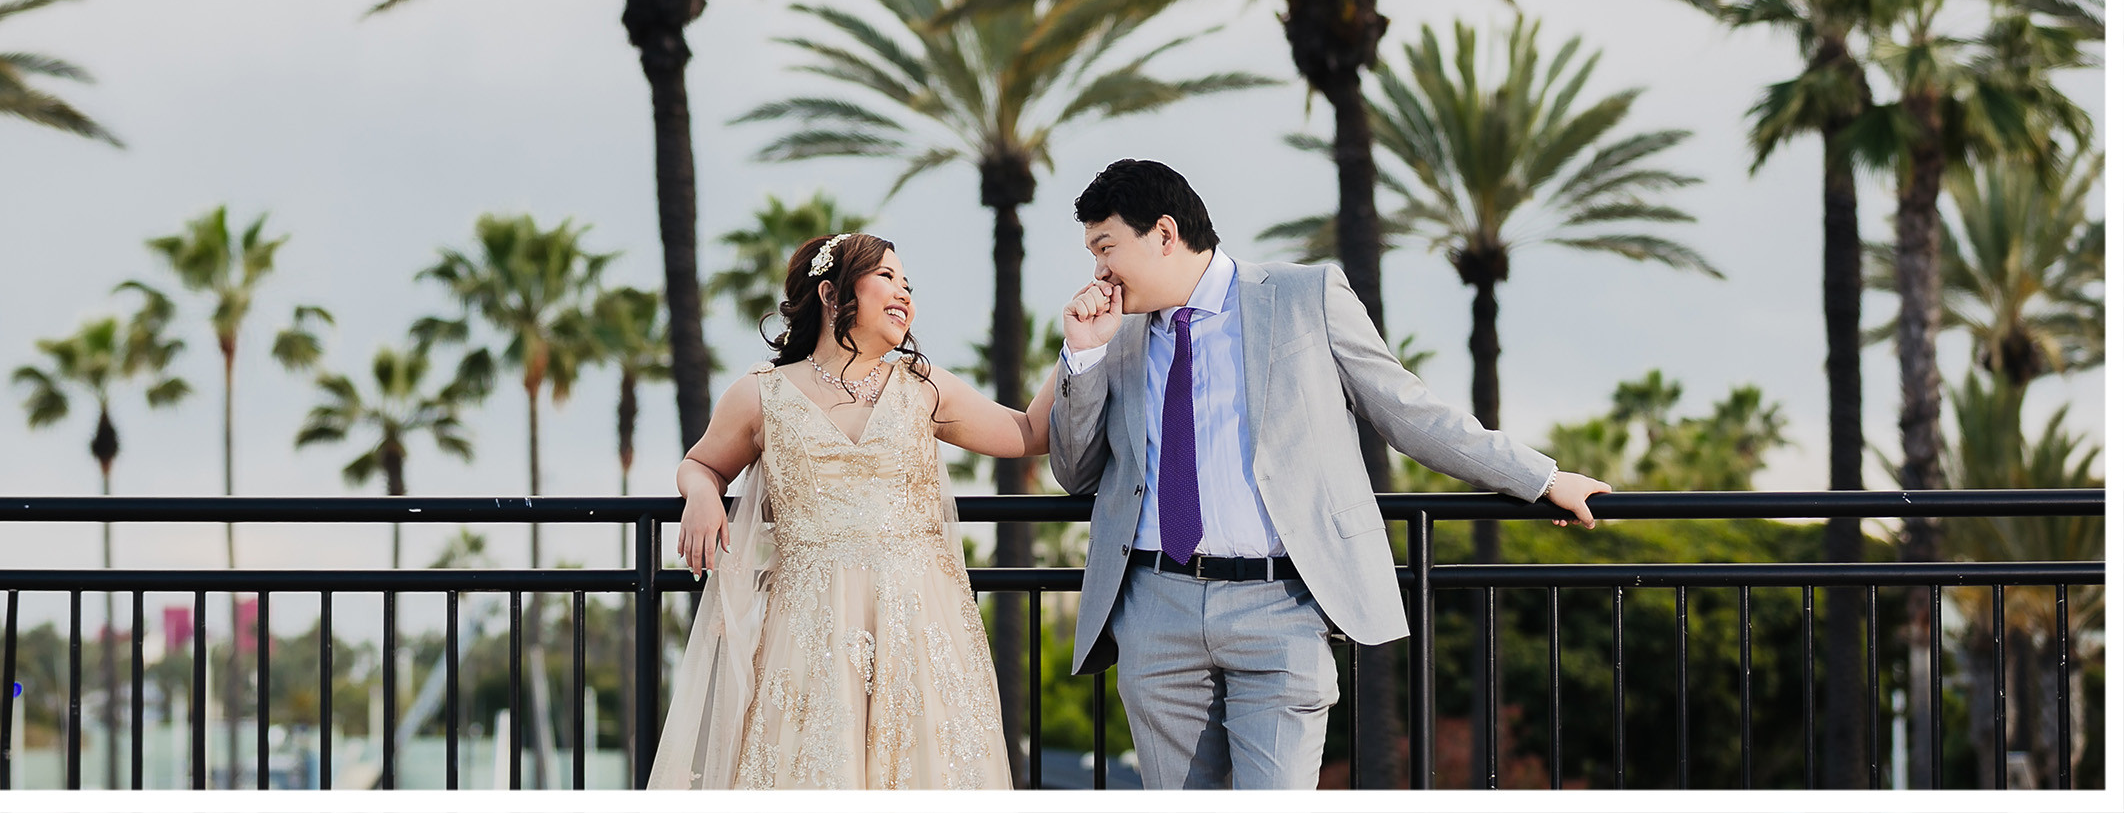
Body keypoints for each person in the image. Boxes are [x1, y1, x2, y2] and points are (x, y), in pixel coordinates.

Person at [1048, 159, 1614, 791]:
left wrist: (1540, 477)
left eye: (1105, 248)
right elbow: (1075, 471)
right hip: (1157, 608)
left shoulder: (1303, 296)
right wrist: (1085, 356)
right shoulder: (1112, 336)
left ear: (1162, 232)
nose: (1098, 271)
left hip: (1281, 605)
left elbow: (1406, 411)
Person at [650, 230, 1056, 790]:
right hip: (810, 628)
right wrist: (700, 493)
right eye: (887, 277)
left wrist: (1076, 350)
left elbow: (1030, 432)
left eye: (908, 284)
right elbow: (702, 464)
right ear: (830, 293)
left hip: (916, 624)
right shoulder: (759, 395)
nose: (904, 294)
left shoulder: (923, 387)